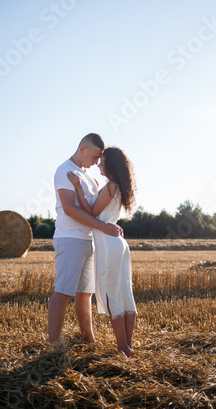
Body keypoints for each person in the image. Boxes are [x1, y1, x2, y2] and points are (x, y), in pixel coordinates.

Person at [47, 133, 123, 344]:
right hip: (70, 238)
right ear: (82, 149)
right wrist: (103, 227)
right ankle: (54, 345)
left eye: (100, 158)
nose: (98, 162)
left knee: (85, 294)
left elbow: (93, 210)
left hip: (89, 240)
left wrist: (105, 226)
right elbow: (70, 209)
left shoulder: (88, 176)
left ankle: (88, 338)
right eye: (95, 156)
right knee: (63, 293)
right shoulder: (65, 171)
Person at [67, 146, 137, 357]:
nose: (99, 164)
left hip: (108, 244)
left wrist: (78, 188)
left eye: (103, 162)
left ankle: (123, 347)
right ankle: (128, 346)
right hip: (118, 243)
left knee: (110, 293)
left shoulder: (110, 187)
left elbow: (91, 213)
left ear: (112, 165)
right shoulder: (118, 187)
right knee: (125, 293)